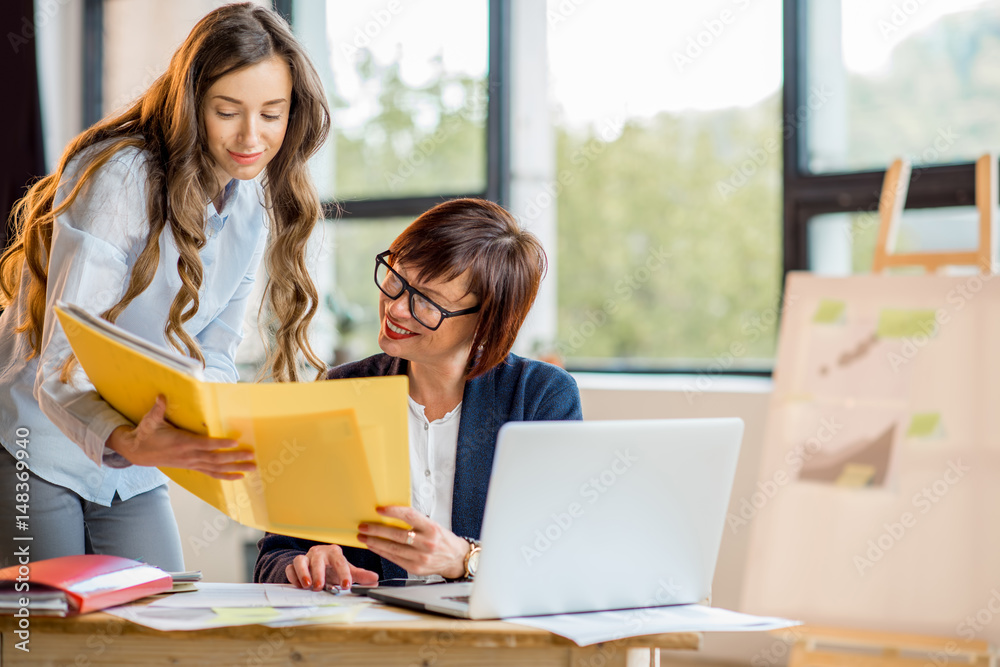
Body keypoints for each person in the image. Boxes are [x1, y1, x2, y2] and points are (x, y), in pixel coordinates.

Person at [0, 3, 330, 570]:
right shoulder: (122, 176)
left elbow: (216, 355)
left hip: (136, 450)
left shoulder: (249, 207)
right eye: (228, 111)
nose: (252, 136)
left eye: (272, 114)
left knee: (163, 620)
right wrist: (126, 440)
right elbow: (62, 357)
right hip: (35, 436)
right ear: (191, 104)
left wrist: (217, 434)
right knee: (43, 639)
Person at [255, 198, 582, 590]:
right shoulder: (339, 392)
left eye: (426, 302)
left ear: (486, 322)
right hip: (371, 639)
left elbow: (565, 557)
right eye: (396, 279)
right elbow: (275, 554)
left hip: (489, 639)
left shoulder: (539, 397)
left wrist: (464, 559)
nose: (395, 308)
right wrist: (304, 563)